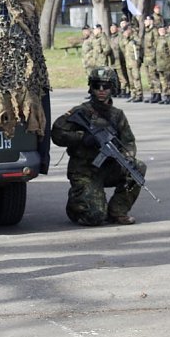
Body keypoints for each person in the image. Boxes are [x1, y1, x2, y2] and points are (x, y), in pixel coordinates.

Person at [51, 67, 147, 226]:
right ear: (91, 87)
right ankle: (77, 202)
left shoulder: (117, 115)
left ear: (113, 87)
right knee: (95, 217)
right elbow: (57, 133)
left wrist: (125, 158)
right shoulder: (80, 112)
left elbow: (128, 142)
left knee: (136, 168)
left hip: (108, 167)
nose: (101, 90)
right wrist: (82, 138)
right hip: (85, 170)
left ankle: (118, 211)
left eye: (106, 86)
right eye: (97, 86)